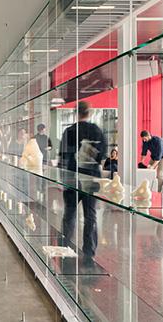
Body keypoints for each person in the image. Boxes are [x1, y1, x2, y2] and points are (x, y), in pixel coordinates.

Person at [59, 101, 107, 259]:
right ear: (90, 113)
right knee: (90, 215)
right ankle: (89, 251)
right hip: (91, 178)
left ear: (76, 113)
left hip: (72, 178)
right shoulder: (97, 131)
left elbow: (63, 157)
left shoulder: (69, 131)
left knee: (70, 213)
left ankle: (64, 246)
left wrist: (62, 180)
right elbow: (102, 156)